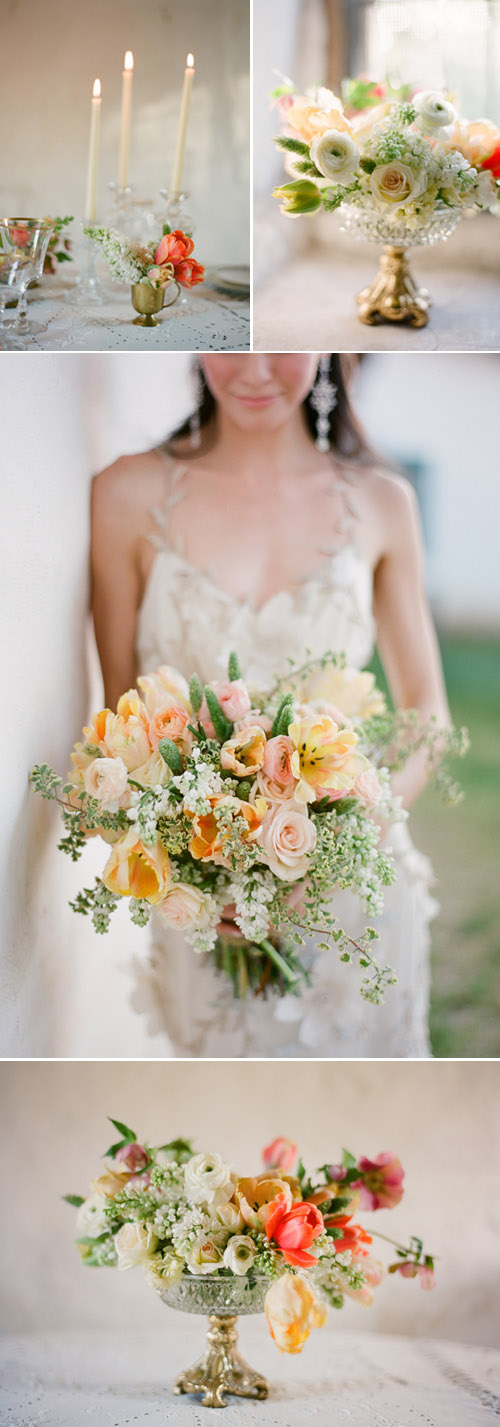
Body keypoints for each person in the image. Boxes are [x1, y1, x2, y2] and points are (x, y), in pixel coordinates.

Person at [91, 353, 448, 1058]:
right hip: (204, 892)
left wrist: (358, 829)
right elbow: (117, 719)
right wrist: (201, 871)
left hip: (357, 883)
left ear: (331, 348)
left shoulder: (381, 501)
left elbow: (427, 711)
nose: (255, 369)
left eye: (282, 340)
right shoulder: (124, 493)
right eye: (234, 338)